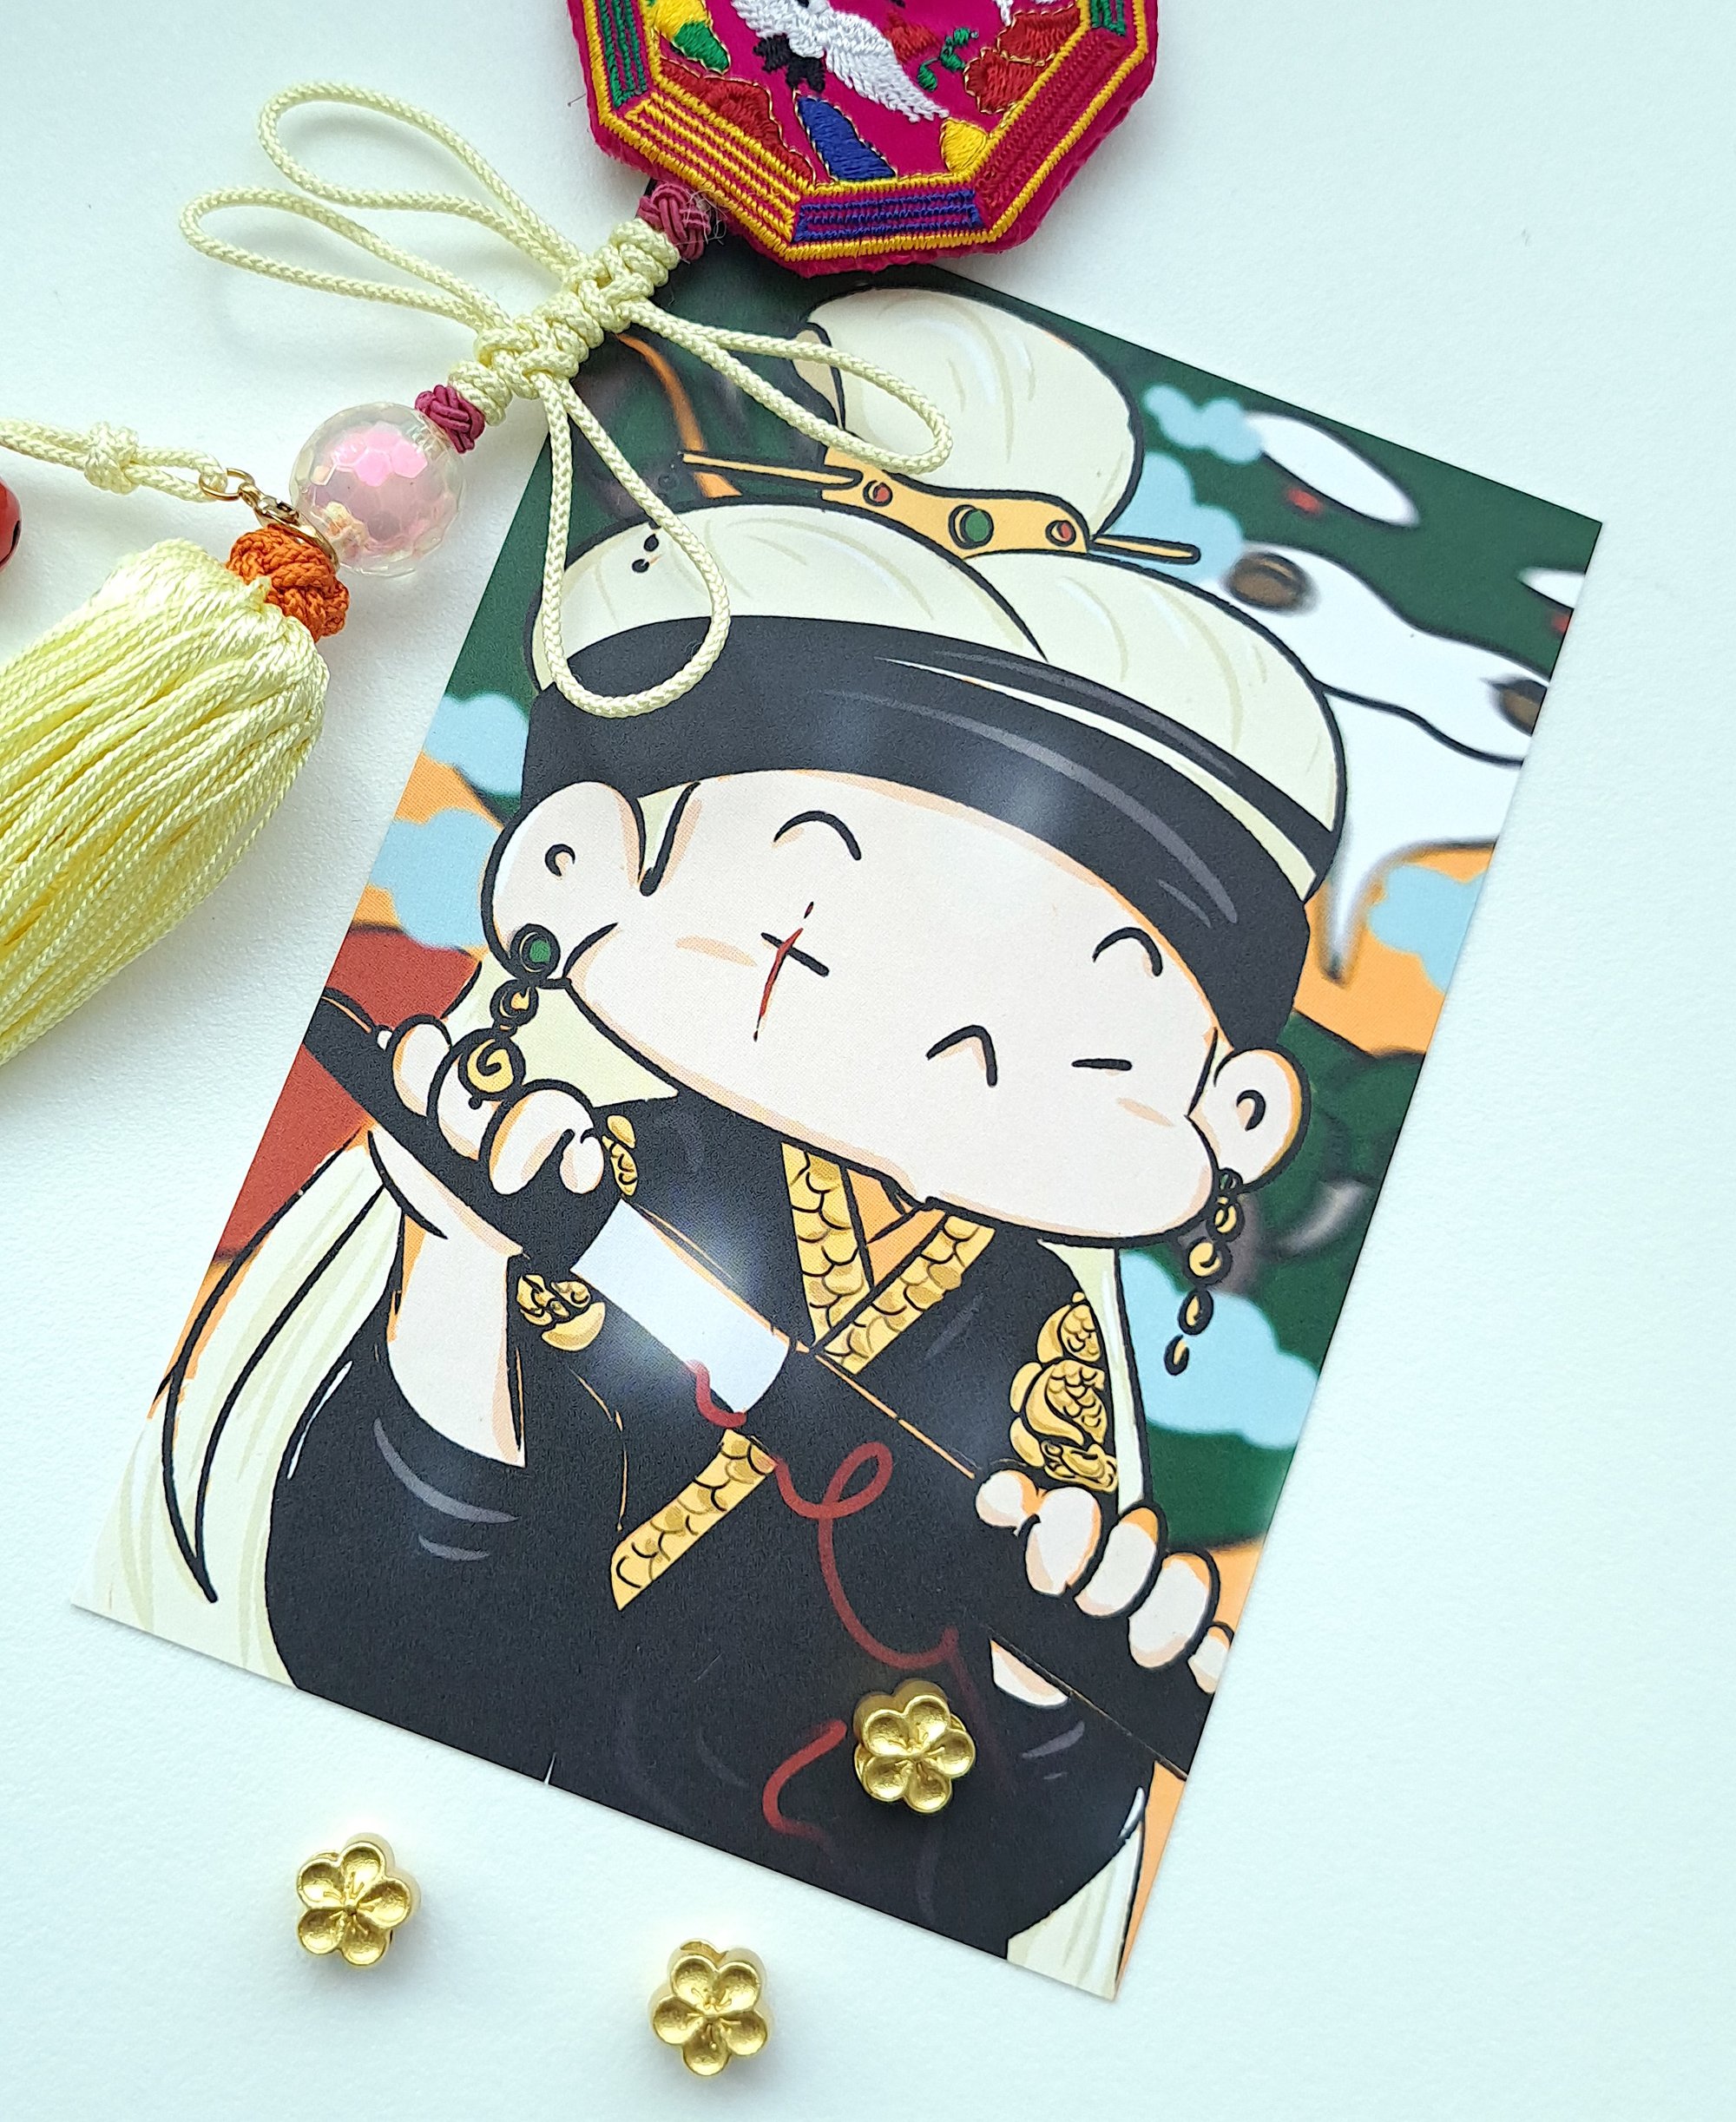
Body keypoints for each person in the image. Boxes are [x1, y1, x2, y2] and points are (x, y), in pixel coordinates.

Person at [88, 287, 1342, 1994]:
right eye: (809, 919)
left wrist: (1050, 1716)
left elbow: (966, 1874)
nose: (957, 1039)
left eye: (1094, 1022)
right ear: (580, 869)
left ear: (1230, 1113)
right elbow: (380, 1638)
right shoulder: (599, 1177)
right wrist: (454, 1280)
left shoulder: (1034, 1338)